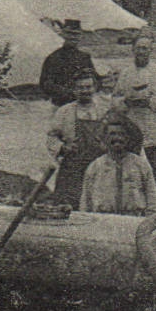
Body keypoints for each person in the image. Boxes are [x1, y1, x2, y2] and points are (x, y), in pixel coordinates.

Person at [107, 34, 156, 204]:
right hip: (132, 130)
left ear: (151, 51)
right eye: (138, 48)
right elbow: (115, 99)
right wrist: (126, 103)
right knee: (132, 172)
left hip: (155, 130)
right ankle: (133, 207)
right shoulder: (126, 73)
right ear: (132, 50)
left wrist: (152, 102)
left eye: (145, 48)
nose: (141, 52)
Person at [46, 71, 120, 209]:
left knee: (99, 205)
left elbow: (118, 134)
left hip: (99, 167)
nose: (85, 91)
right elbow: (51, 136)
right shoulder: (64, 112)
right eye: (80, 88)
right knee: (65, 207)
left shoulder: (105, 110)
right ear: (74, 90)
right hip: (71, 169)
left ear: (95, 88)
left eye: (88, 87)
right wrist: (62, 147)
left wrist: (108, 146)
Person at [79, 118, 156, 219]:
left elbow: (153, 200)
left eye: (122, 134)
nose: (117, 138)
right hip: (102, 222)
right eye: (112, 134)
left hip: (133, 221)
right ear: (105, 138)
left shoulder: (141, 165)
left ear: (128, 138)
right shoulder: (95, 167)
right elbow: (85, 203)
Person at [38, 18, 97, 107]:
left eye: (76, 34)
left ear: (80, 36)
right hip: (61, 104)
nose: (73, 37)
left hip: (83, 104)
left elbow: (94, 79)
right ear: (63, 35)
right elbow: (45, 84)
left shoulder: (85, 57)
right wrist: (69, 93)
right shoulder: (53, 58)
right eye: (69, 34)